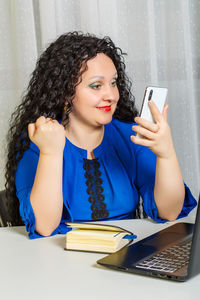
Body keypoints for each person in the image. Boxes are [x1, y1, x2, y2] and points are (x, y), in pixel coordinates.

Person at [5, 31, 196, 238]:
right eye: (96, 86)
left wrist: (166, 154)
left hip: (126, 255)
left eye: (113, 83)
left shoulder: (131, 136)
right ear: (65, 93)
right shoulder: (38, 141)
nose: (111, 96)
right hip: (60, 262)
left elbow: (170, 212)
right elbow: (44, 226)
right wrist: (50, 154)